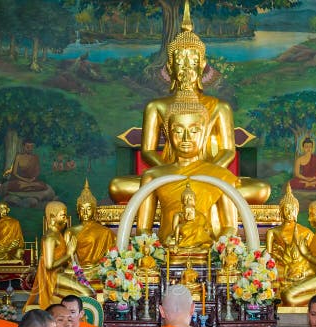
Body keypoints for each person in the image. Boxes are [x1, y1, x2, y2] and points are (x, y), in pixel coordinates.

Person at [108, 3, 269, 207]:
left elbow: (228, 151)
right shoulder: (156, 107)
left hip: (209, 176)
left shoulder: (219, 107)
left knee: (261, 189)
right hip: (169, 175)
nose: (186, 68)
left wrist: (206, 175)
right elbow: (147, 151)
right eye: (180, 62)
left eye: (192, 62)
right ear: (170, 67)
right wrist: (171, 173)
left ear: (202, 65)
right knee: (118, 186)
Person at [136, 103, 240, 241]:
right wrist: (153, 249)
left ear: (204, 134)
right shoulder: (152, 176)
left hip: (207, 248)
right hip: (167, 250)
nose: (186, 138)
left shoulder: (220, 175)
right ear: (168, 133)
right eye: (178, 131)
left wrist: (220, 249)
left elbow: (230, 227)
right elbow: (143, 228)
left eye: (194, 131)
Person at [24, 201, 95, 310]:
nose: (66, 219)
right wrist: (68, 254)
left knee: (90, 282)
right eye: (63, 216)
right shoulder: (50, 237)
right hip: (52, 278)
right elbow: (48, 266)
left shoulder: (59, 234)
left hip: (61, 272)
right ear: (53, 216)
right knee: (87, 293)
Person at [65, 180, 115, 282]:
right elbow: (68, 261)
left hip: (97, 269)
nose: (85, 212)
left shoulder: (105, 232)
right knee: (65, 273)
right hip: (77, 271)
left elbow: (110, 258)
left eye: (88, 208)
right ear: (78, 210)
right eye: (82, 209)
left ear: (94, 210)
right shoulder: (70, 232)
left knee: (107, 272)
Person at [265, 183, 314, 282]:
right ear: (281, 211)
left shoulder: (306, 232)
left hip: (300, 266)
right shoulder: (272, 232)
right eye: (286, 209)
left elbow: (313, 256)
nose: (289, 213)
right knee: (270, 274)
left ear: (297, 211)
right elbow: (269, 254)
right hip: (281, 267)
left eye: (292, 209)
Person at [167, 181, 216, 252]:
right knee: (170, 244)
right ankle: (182, 245)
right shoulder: (178, 215)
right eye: (185, 199)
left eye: (190, 199)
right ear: (182, 201)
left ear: (194, 201)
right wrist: (170, 236)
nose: (188, 201)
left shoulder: (200, 215)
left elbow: (206, 229)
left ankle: (192, 246)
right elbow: (174, 230)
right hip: (184, 234)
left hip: (198, 236)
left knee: (200, 230)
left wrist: (207, 232)